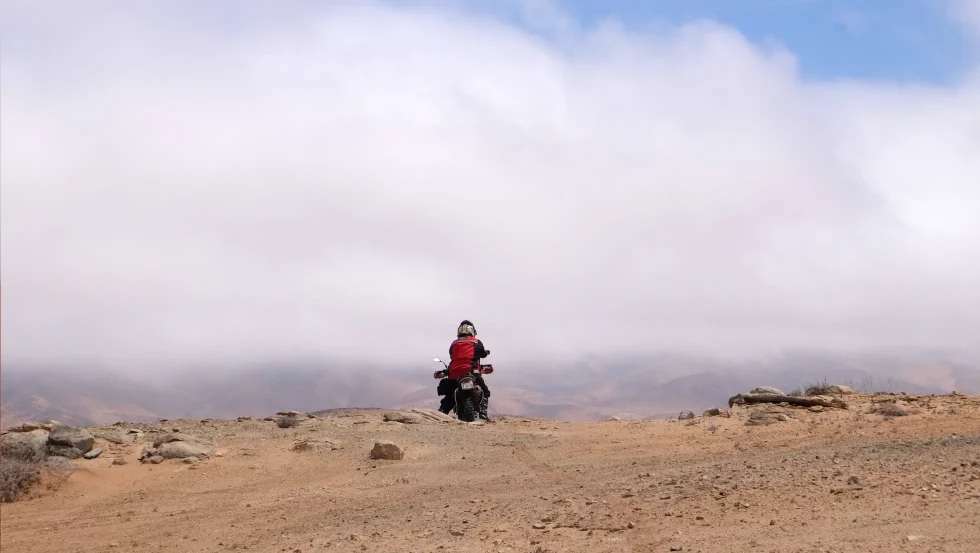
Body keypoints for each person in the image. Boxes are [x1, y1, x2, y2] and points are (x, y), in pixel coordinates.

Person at [438, 319, 492, 420]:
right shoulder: (476, 342)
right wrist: (486, 352)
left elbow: (452, 356)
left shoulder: (454, 344)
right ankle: (483, 414)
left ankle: (442, 412)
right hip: (471, 370)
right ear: (472, 331)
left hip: (455, 373)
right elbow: (483, 354)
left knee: (450, 393)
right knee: (485, 391)